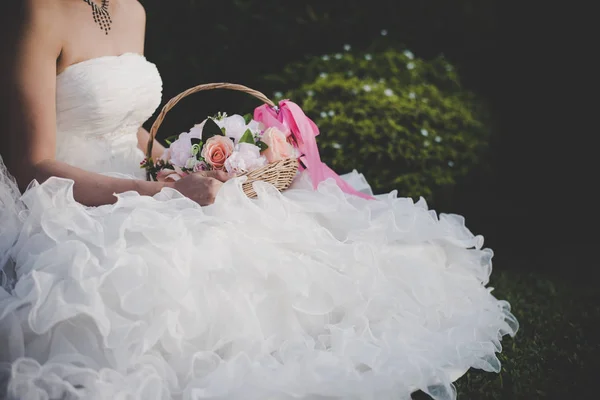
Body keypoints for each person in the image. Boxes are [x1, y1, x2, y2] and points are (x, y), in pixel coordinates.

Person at [0, 1, 518, 399]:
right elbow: (31, 166)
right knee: (161, 268)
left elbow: (126, 128)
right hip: (68, 195)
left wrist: (179, 164)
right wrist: (160, 191)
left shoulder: (132, 9)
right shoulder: (35, 10)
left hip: (142, 175)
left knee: (264, 228)